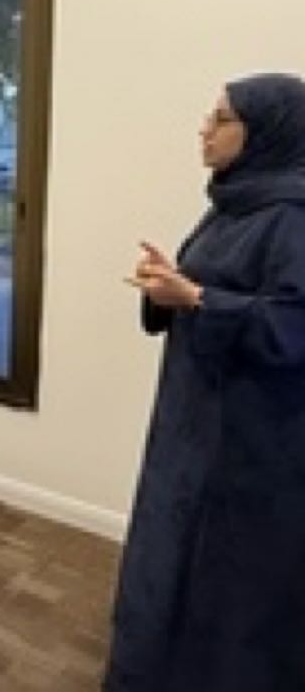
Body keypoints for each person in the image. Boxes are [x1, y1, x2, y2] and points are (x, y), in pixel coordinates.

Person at [106, 74, 305, 691]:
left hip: (250, 439)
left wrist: (194, 297)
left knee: (226, 579)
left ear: (264, 133)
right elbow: (205, 291)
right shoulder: (231, 204)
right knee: (168, 553)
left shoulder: (293, 218)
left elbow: (292, 328)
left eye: (221, 119)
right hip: (191, 418)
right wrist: (168, 284)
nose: (204, 129)